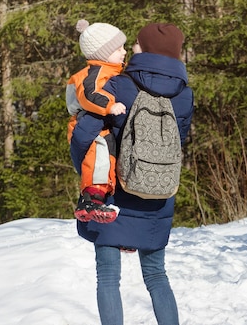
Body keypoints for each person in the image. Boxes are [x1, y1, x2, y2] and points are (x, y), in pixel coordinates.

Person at [70, 23, 194, 325]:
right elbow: (181, 137)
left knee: (108, 277)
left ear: (148, 49)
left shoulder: (119, 84)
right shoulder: (185, 93)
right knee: (156, 275)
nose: (132, 50)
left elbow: (85, 134)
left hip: (113, 196)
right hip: (158, 191)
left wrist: (85, 171)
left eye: (137, 44)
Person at [66, 19, 128, 224]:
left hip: (99, 125)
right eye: (119, 48)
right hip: (89, 122)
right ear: (103, 53)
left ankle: (98, 199)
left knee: (107, 158)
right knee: (98, 157)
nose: (124, 52)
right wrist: (110, 105)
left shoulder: (109, 70)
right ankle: (90, 199)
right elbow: (89, 95)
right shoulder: (95, 72)